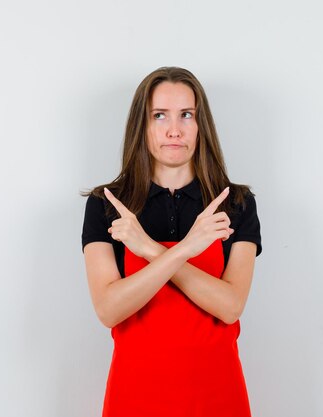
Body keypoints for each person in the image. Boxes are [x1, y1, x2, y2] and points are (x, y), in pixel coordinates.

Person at [81, 67, 262, 417]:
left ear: (201, 124)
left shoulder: (235, 203)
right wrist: (185, 251)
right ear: (142, 125)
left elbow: (230, 306)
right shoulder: (107, 205)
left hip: (218, 396)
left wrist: (150, 249)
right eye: (159, 115)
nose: (174, 130)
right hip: (134, 397)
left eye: (187, 115)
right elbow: (108, 309)